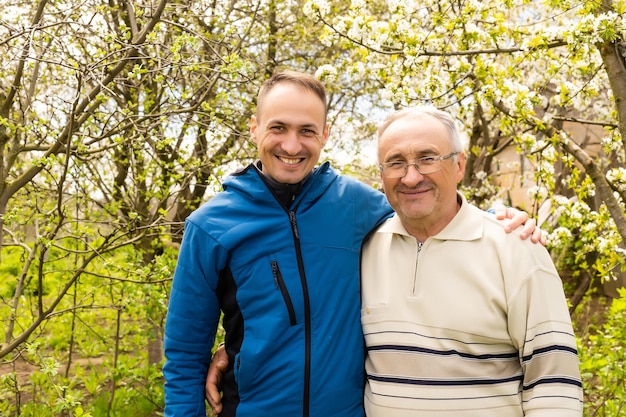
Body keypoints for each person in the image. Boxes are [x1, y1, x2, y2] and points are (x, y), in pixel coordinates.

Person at [163, 70, 541, 417]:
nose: (292, 145)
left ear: (325, 135)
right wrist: (233, 351)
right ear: (254, 128)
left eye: (307, 131)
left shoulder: (357, 205)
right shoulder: (211, 225)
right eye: (278, 127)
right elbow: (184, 355)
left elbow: (429, 209)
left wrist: (497, 218)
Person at [360, 106, 583, 416]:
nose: (411, 177)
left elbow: (554, 383)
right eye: (396, 163)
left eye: (428, 158)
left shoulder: (516, 248)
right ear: (382, 175)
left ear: (459, 165)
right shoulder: (363, 249)